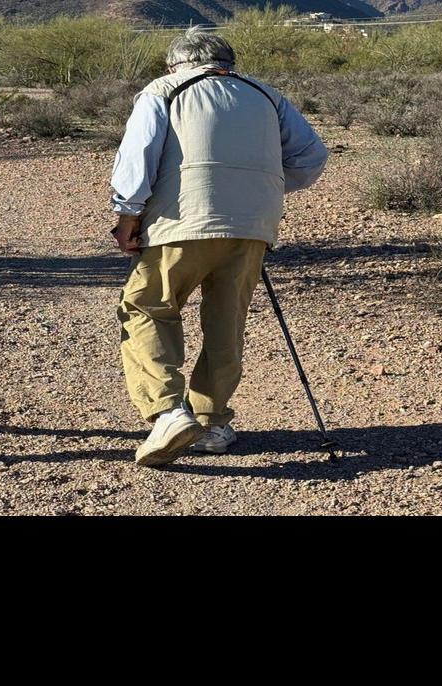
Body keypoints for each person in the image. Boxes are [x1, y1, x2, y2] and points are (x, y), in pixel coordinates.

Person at [109, 26, 329, 467]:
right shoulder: (266, 95)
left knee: (149, 307)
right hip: (253, 225)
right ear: (228, 63)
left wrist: (127, 214)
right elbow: (311, 156)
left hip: (181, 220)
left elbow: (139, 155)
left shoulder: (164, 89)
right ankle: (210, 422)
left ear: (177, 63)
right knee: (227, 319)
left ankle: (168, 412)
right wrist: (261, 190)